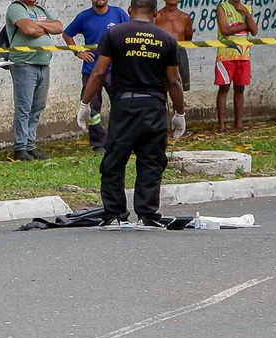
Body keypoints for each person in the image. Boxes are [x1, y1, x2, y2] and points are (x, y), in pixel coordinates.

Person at [78, 0, 186, 227]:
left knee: (115, 160)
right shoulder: (167, 39)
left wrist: (85, 103)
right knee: (152, 161)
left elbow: (98, 72)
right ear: (156, 12)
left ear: (129, 11)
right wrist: (179, 113)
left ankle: (115, 214)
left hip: (124, 107)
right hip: (154, 108)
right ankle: (147, 215)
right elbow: (174, 80)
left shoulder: (115, 34)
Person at [63, 0, 129, 152]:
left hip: (116, 71)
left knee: (123, 105)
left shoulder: (118, 14)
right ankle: (99, 144)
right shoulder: (84, 17)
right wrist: (78, 51)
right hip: (91, 70)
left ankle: (122, 141)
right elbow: (67, 34)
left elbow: (130, 33)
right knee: (93, 110)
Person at [5, 0, 63, 161]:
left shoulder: (40, 9)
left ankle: (31, 146)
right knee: (24, 107)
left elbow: (59, 27)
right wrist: (43, 25)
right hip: (24, 64)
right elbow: (29, 30)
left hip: (43, 64)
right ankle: (21, 148)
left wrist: (38, 24)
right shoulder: (16, 8)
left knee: (37, 106)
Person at [215, 0, 257, 131]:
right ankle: (221, 124)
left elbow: (254, 31)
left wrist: (245, 12)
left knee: (240, 89)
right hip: (226, 54)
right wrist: (246, 25)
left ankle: (238, 123)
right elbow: (225, 29)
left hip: (243, 55)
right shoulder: (222, 7)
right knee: (224, 88)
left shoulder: (247, 8)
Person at [154, 0, 193, 93]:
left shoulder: (185, 17)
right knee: (161, 86)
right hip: (161, 53)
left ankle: (178, 107)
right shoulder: (157, 16)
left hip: (179, 52)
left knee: (178, 87)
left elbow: (188, 38)